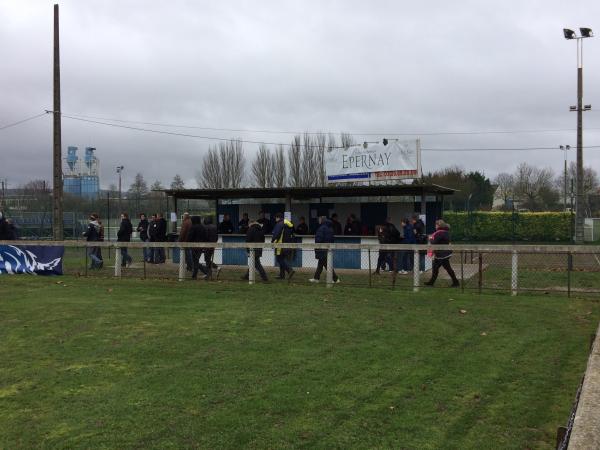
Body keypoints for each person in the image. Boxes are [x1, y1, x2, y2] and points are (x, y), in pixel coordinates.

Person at [424, 220, 460, 287]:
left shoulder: (439, 233)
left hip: (442, 254)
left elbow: (434, 242)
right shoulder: (445, 232)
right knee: (440, 268)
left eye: (436, 225)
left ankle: (455, 282)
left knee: (439, 268)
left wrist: (430, 238)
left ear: (438, 225)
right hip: (443, 253)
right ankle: (455, 282)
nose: (435, 226)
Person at [309, 216, 340, 283]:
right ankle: (316, 278)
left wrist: (317, 247)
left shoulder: (321, 228)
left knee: (326, 265)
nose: (318, 221)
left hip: (322, 248)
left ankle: (335, 279)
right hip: (328, 248)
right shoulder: (330, 228)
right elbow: (332, 239)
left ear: (322, 221)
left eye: (319, 219)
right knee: (321, 264)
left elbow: (318, 239)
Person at [271, 212, 295, 280]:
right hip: (287, 244)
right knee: (281, 259)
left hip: (280, 244)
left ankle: (289, 270)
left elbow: (276, 234)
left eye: (275, 218)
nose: (275, 219)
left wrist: (273, 241)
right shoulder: (288, 223)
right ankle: (282, 275)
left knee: (279, 259)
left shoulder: (279, 224)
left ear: (278, 217)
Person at [187, 216, 207, 280]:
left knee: (195, 261)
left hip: (194, 246)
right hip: (201, 246)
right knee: (196, 260)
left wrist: (188, 242)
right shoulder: (203, 227)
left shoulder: (193, 227)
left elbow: (190, 237)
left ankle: (203, 272)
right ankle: (196, 274)